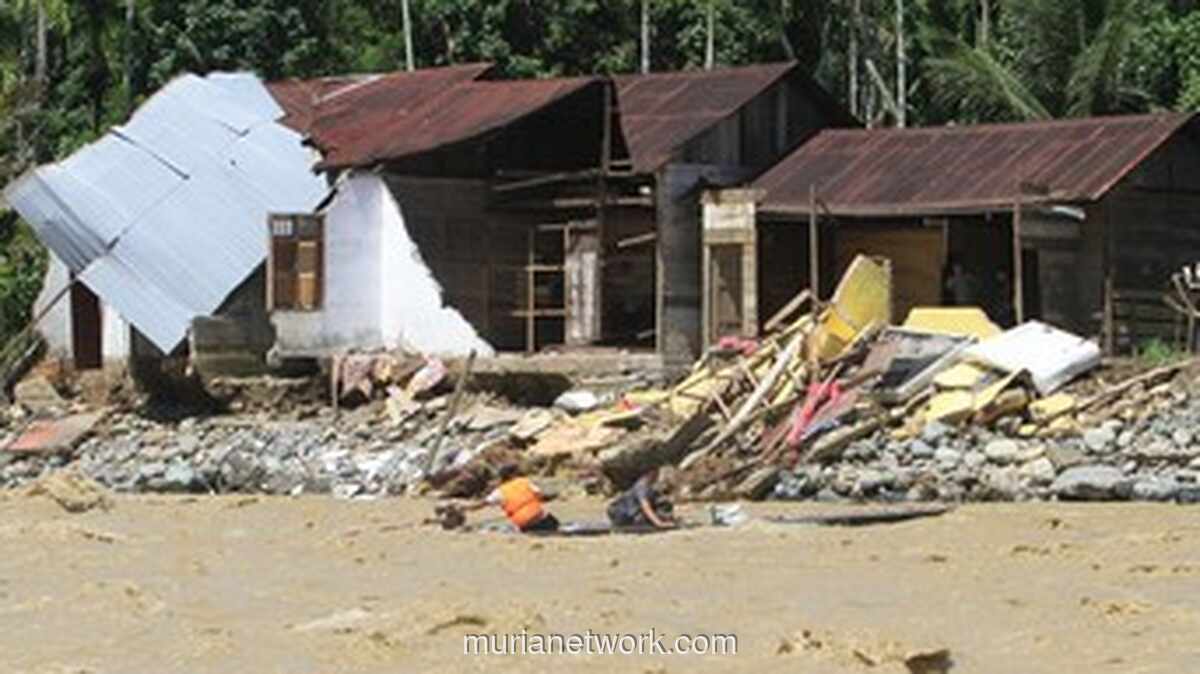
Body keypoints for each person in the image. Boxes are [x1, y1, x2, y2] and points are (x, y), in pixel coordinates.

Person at [464, 463, 559, 533]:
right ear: (511, 475)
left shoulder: (499, 491)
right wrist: (555, 496)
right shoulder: (524, 482)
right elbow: (541, 496)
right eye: (516, 472)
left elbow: (481, 504)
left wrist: (465, 508)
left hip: (525, 525)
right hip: (542, 520)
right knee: (555, 523)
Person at [606, 467, 676, 529]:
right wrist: (659, 524)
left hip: (632, 511)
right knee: (641, 520)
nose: (657, 475)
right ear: (649, 473)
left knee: (663, 503)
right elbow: (646, 507)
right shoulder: (641, 486)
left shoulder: (650, 486)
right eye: (655, 472)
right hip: (619, 512)